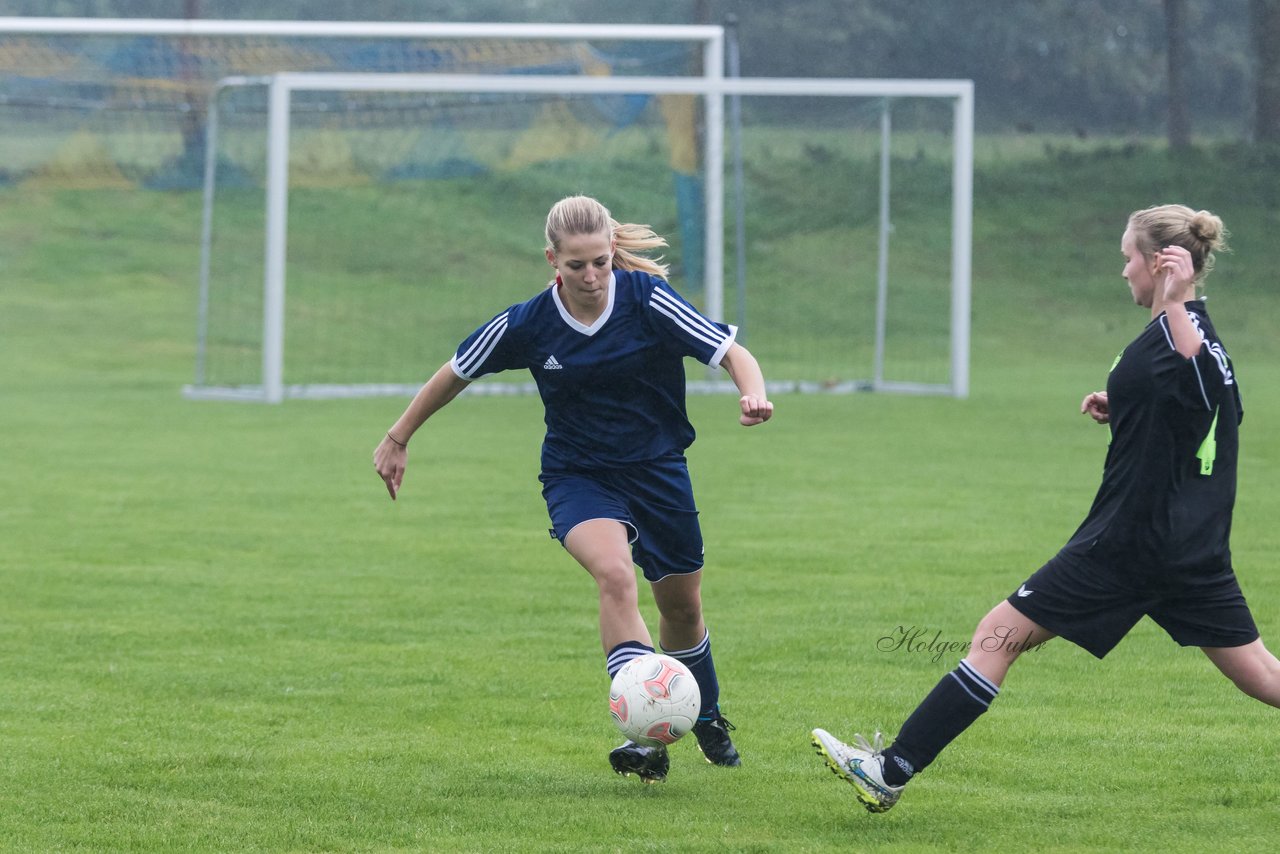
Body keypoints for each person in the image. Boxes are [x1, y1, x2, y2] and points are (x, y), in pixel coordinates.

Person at [811, 204, 1280, 813]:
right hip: (1189, 548)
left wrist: (1175, 295)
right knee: (1264, 675)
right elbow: (1207, 410)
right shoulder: (1199, 333)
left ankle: (889, 769)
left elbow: (1191, 380)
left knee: (995, 636)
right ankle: (890, 768)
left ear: (1160, 263)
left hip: (1128, 545)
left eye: (1128, 258)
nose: (1124, 271)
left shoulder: (1180, 327)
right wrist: (1126, 403)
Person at [374, 194, 774, 784]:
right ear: (552, 261)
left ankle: (706, 713)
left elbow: (731, 350)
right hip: (577, 475)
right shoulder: (528, 323)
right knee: (614, 575)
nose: (590, 277)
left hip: (658, 470)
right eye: (575, 266)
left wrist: (753, 392)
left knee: (681, 608)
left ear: (614, 253)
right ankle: (647, 736)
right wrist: (397, 436)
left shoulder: (648, 301)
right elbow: (456, 371)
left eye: (600, 263)